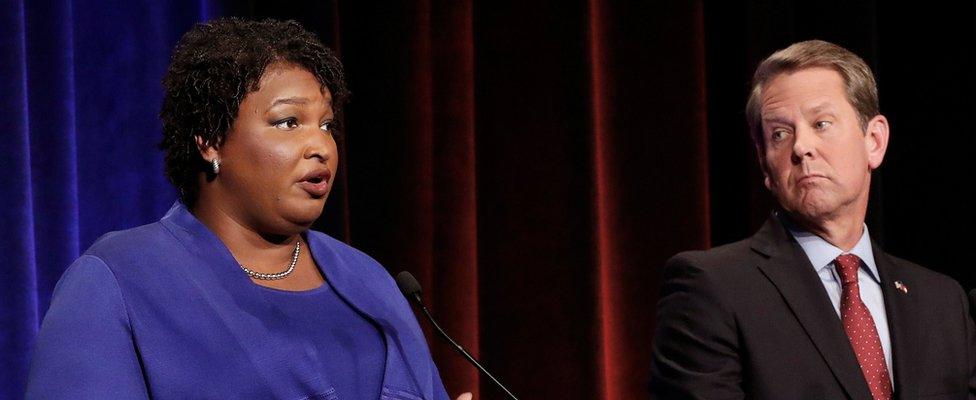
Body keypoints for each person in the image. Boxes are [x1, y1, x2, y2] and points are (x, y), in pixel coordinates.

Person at [26, 18, 469, 400]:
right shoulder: (119, 281)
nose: (321, 146)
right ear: (210, 139)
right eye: (288, 122)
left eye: (327, 125)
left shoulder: (371, 283)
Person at [650, 40, 976, 399]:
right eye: (779, 133)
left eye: (821, 123)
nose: (801, 146)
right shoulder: (711, 288)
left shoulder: (943, 301)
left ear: (875, 141)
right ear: (764, 163)